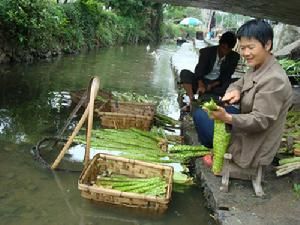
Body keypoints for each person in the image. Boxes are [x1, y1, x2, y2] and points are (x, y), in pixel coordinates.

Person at [193, 19, 293, 169]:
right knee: (205, 112)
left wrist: (227, 118)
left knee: (201, 116)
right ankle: (219, 145)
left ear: (267, 45)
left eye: (251, 47)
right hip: (246, 125)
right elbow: (238, 83)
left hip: (255, 142)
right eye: (243, 48)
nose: (246, 53)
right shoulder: (258, 66)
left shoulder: (275, 80)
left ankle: (220, 150)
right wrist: (235, 91)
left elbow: (260, 121)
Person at [180, 31, 240, 110]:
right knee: (185, 73)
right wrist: (201, 84)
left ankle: (220, 102)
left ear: (231, 48)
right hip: (202, 81)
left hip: (218, 84)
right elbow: (199, 70)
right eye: (223, 48)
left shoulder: (234, 57)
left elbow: (227, 76)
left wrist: (212, 85)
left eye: (228, 49)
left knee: (238, 82)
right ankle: (192, 100)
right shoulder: (206, 52)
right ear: (220, 44)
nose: (225, 51)